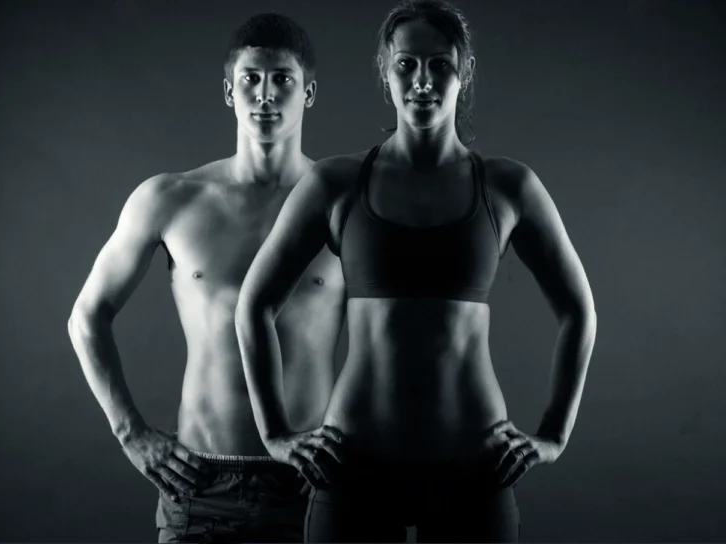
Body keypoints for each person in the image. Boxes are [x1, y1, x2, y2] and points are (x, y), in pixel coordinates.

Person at [234, 0, 598, 542]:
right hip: (353, 467)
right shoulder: (335, 184)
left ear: (463, 72)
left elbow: (579, 311)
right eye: (406, 65)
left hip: (474, 468)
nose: (422, 80)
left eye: (440, 65)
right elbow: (254, 305)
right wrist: (275, 434)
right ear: (386, 72)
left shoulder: (507, 186)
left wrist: (554, 434)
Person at [67, 13, 347, 543]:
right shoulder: (171, 198)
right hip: (200, 484)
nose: (266, 94)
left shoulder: (343, 204)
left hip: (312, 484)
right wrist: (131, 433)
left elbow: (389, 334)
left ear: (308, 93)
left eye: (283, 79)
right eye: (251, 79)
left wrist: (354, 442)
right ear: (229, 91)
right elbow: (87, 316)